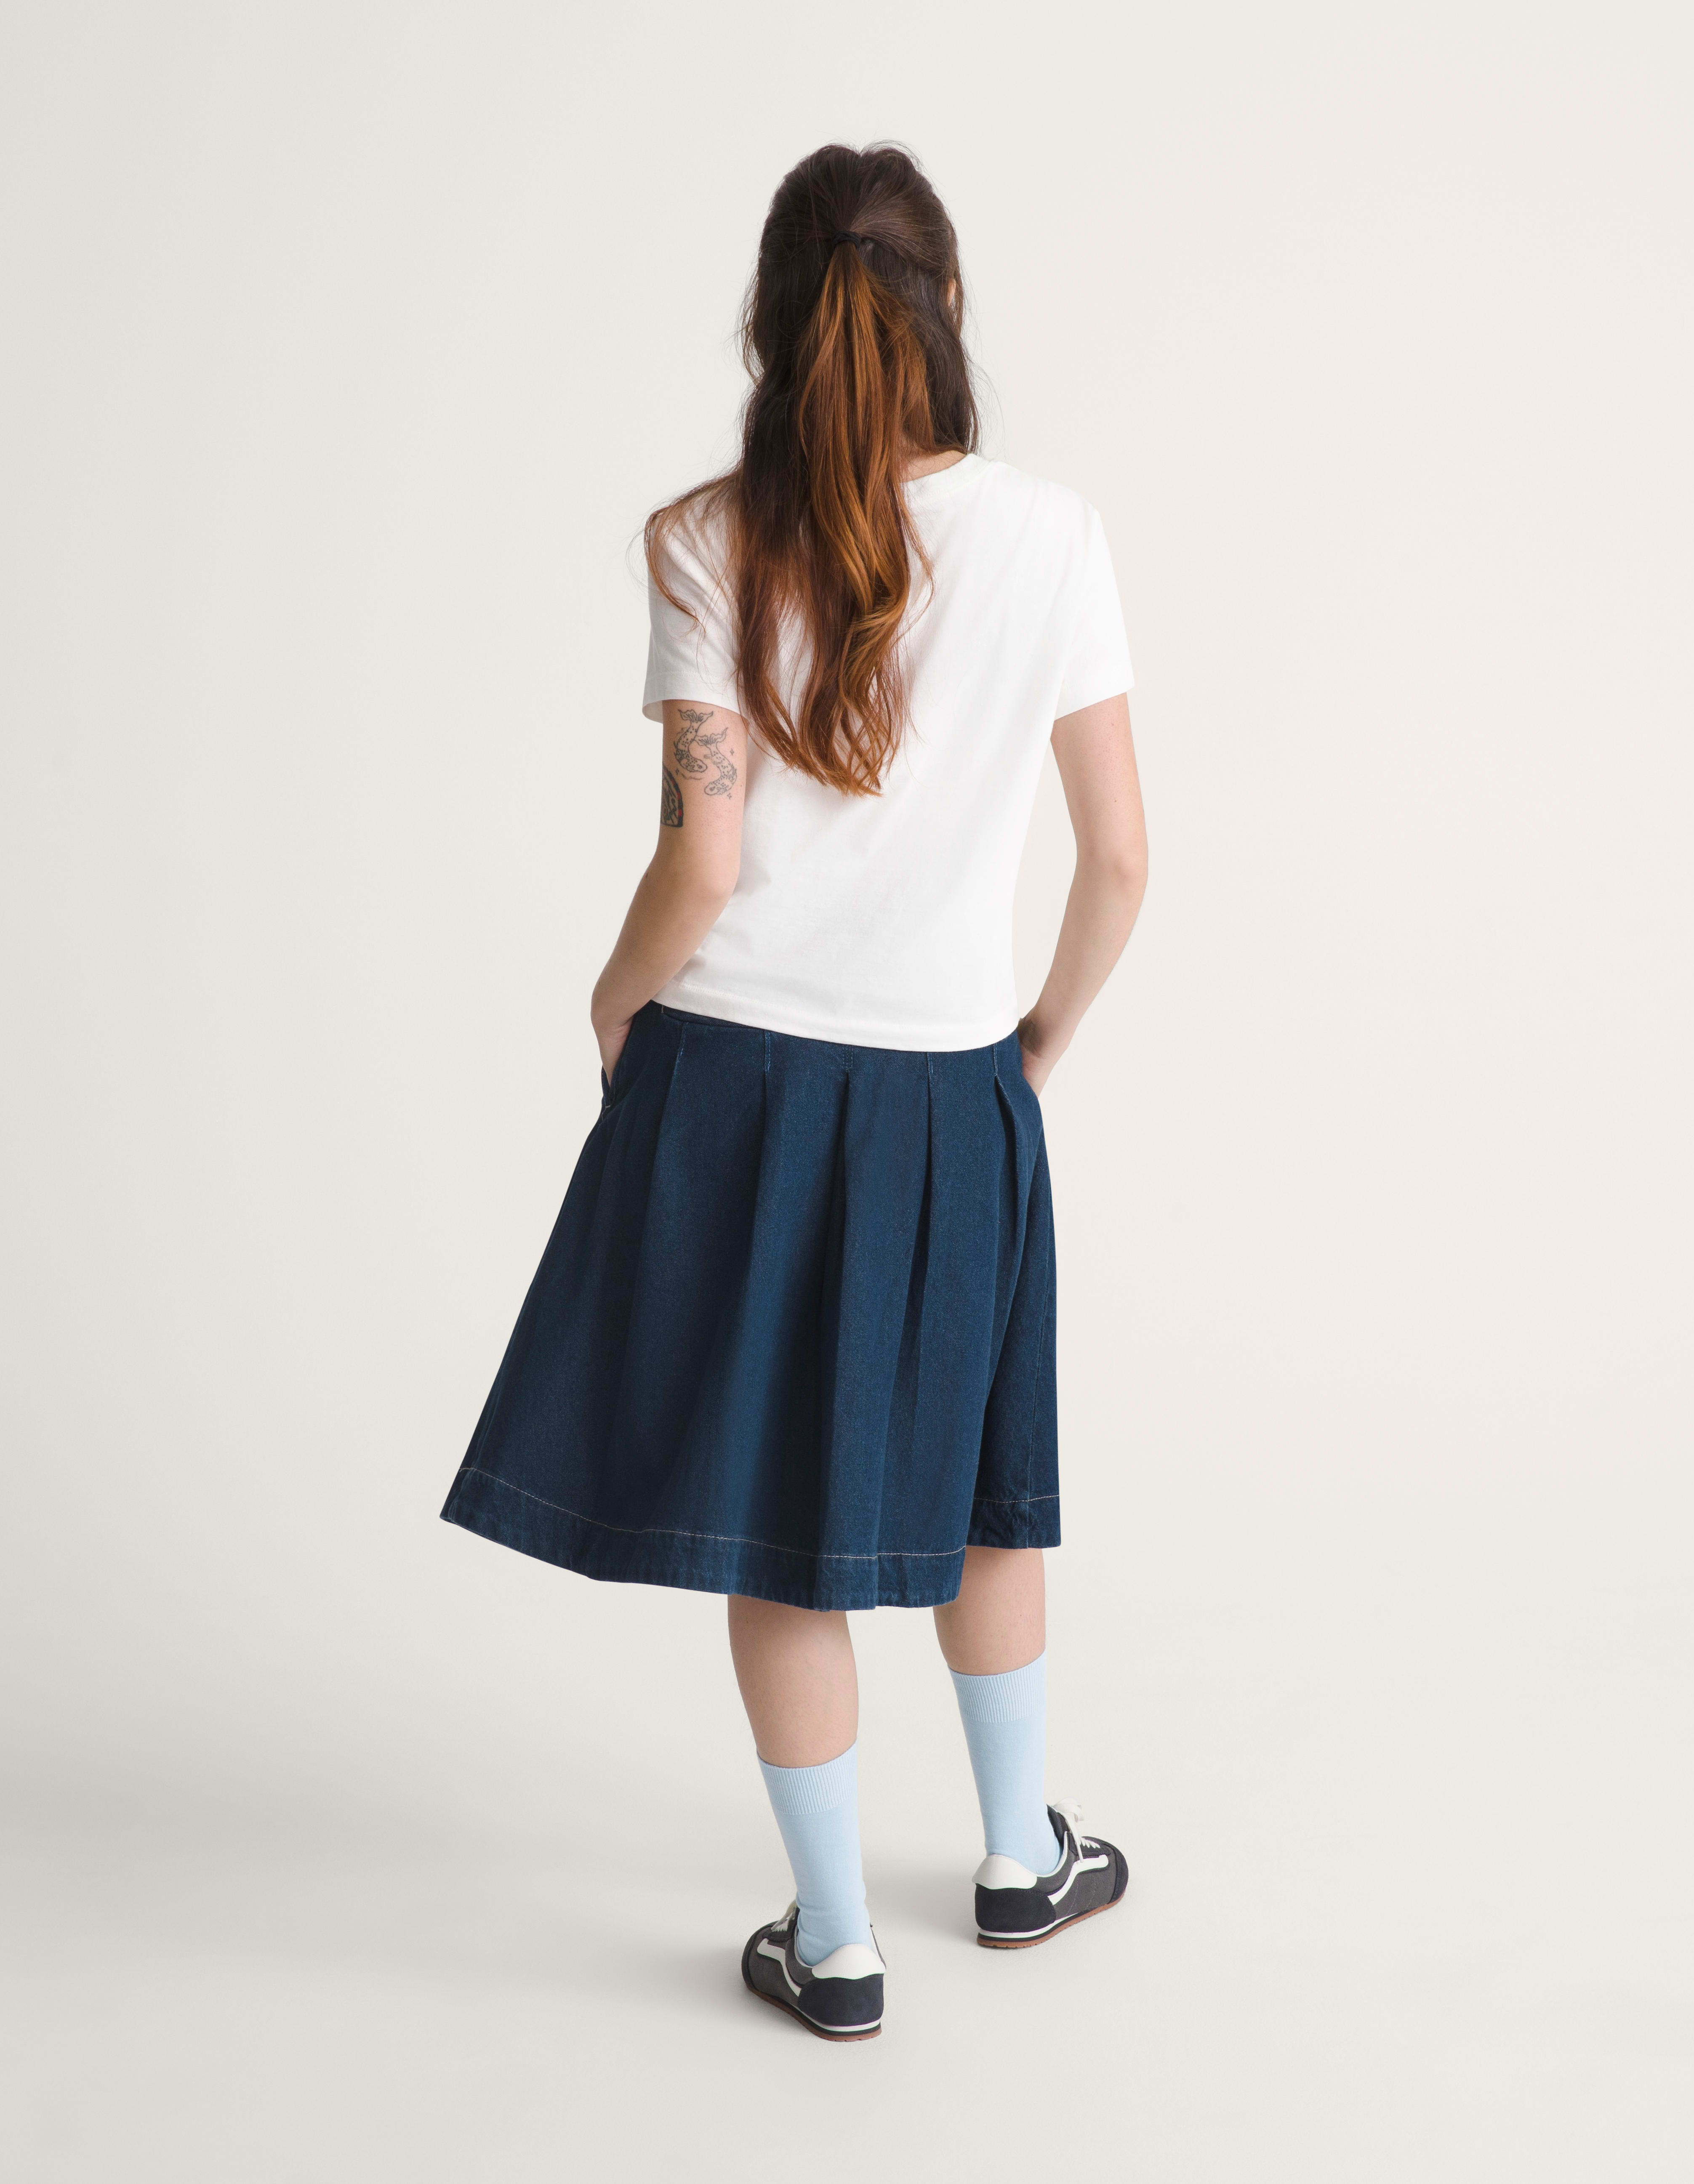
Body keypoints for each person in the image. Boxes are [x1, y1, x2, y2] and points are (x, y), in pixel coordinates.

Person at [440, 141, 1147, 2042]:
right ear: (949, 308)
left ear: (767, 322)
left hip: (737, 1088)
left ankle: (835, 1948)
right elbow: (1124, 859)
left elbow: (706, 863)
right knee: (990, 1493)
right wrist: (1037, 1042)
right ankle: (1019, 1862)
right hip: (948, 1090)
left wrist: (611, 1004)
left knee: (784, 1528)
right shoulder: (1056, 536)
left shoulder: (701, 538)